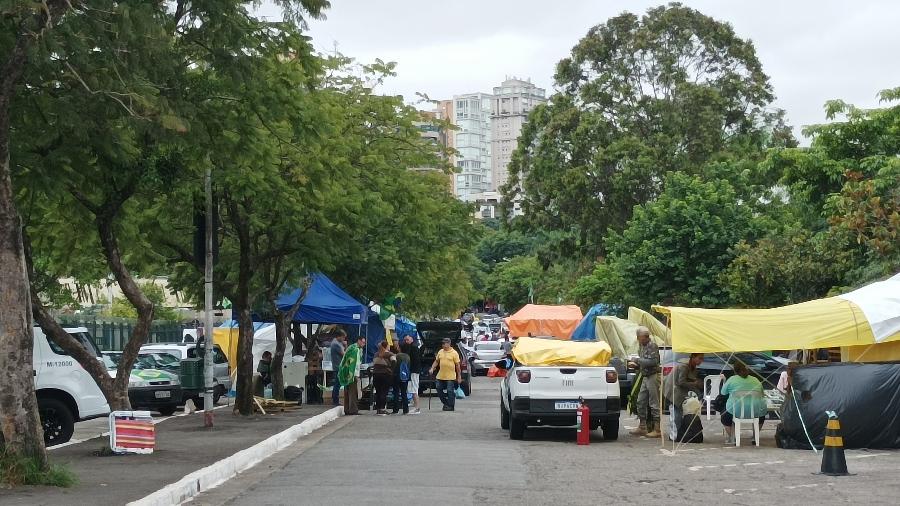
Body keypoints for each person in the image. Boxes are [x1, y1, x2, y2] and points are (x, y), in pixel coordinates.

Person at [720, 361, 768, 445]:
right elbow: (762, 394)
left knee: (724, 415)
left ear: (735, 371)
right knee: (762, 416)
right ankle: (755, 436)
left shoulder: (732, 379)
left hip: (736, 411)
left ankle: (733, 437)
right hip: (756, 411)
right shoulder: (755, 380)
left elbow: (723, 393)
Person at [628, 327, 661, 437]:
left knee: (654, 403)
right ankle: (642, 426)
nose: (641, 339)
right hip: (645, 375)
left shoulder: (652, 346)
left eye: (642, 337)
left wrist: (637, 360)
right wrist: (637, 365)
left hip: (652, 376)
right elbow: (644, 362)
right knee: (640, 401)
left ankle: (657, 429)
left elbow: (653, 361)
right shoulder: (642, 346)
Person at [664, 353, 704, 441]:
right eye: (700, 358)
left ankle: (679, 434)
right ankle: (674, 436)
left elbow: (689, 381)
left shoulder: (692, 367)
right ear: (693, 357)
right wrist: (695, 383)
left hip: (680, 391)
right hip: (673, 390)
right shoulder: (684, 367)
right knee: (676, 415)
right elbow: (681, 382)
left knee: (679, 413)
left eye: (702, 359)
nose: (701, 361)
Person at [429, 337, 461, 411]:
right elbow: (436, 361)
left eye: (444, 343)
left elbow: (457, 365)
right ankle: (446, 403)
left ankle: (451, 406)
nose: (443, 345)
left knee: (450, 391)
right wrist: (432, 368)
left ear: (449, 343)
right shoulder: (440, 351)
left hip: (450, 376)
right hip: (440, 375)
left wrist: (459, 376)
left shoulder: (454, 353)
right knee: (438, 389)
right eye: (442, 343)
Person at [338, 336, 365, 415]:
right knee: (353, 393)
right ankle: (353, 410)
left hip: (346, 372)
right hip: (352, 374)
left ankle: (347, 409)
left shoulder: (351, 347)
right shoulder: (356, 349)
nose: (364, 344)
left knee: (347, 392)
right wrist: (356, 375)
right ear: (358, 341)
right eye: (363, 342)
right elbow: (355, 364)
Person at [371, 341, 396, 416]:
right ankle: (382, 409)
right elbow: (394, 361)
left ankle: (378, 409)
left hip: (376, 375)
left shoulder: (376, 354)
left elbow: (374, 362)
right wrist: (391, 370)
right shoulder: (389, 354)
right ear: (386, 346)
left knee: (378, 392)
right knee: (384, 392)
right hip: (385, 375)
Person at [402, 335, 422, 414]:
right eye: (405, 340)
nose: (406, 341)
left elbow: (415, 361)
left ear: (411, 339)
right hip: (412, 371)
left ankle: (417, 408)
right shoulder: (411, 347)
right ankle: (415, 405)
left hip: (414, 371)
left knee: (414, 389)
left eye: (407, 339)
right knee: (412, 388)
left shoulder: (413, 348)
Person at [390, 341, 410, 415]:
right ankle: (406, 409)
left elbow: (393, 364)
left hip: (396, 376)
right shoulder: (408, 357)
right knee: (404, 393)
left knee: (396, 393)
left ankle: (395, 409)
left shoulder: (397, 356)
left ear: (400, 348)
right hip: (404, 377)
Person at [329, 331, 347, 406]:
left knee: (338, 383)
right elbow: (344, 354)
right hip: (338, 366)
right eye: (343, 337)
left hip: (338, 366)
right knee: (337, 384)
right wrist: (345, 346)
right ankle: (335, 400)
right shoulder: (336, 344)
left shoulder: (338, 343)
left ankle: (335, 399)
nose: (344, 339)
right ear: (339, 336)